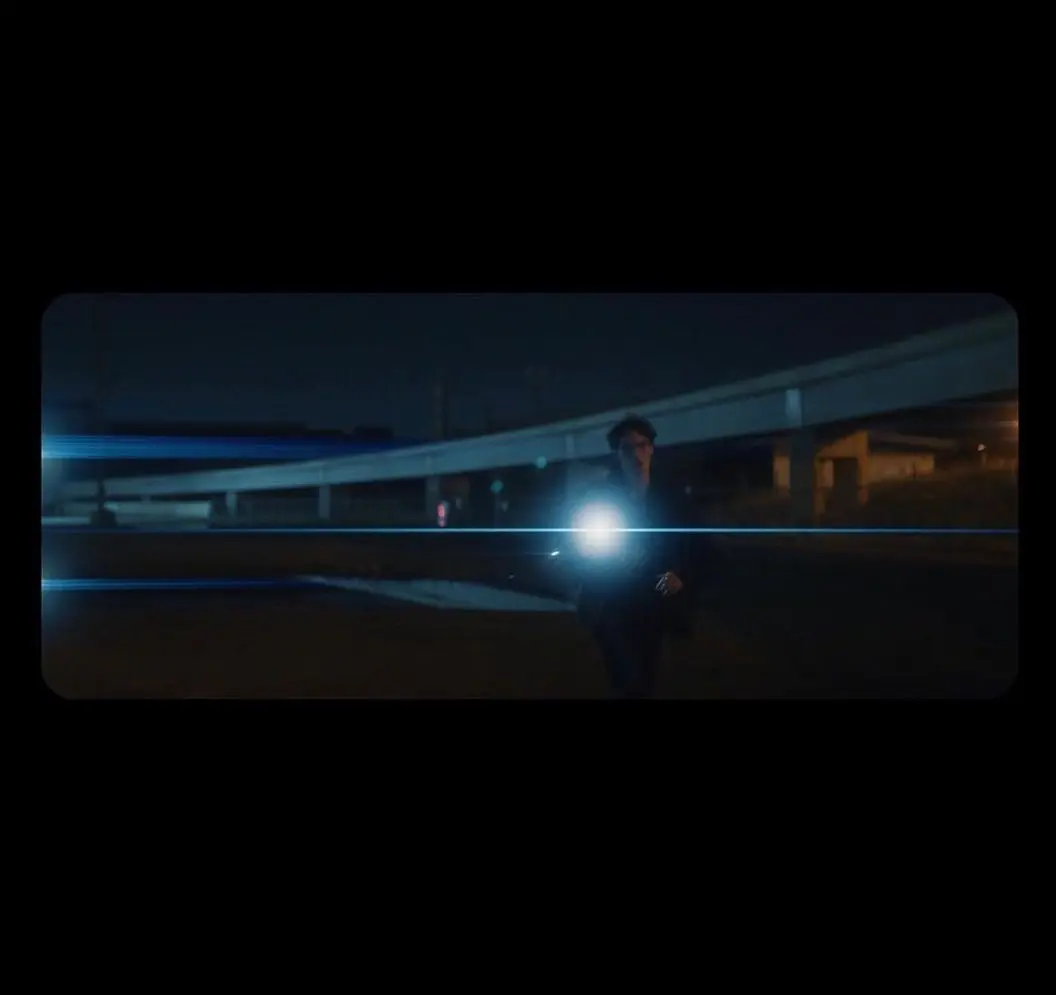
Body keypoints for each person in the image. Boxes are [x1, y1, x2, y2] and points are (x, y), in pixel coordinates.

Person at [562, 414, 705, 698]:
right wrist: (601, 561)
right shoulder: (600, 497)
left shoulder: (671, 498)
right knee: (625, 675)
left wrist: (680, 576)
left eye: (642, 445)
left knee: (646, 673)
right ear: (618, 454)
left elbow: (697, 547)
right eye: (627, 448)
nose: (636, 454)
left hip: (655, 595)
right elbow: (578, 546)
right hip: (612, 596)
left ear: (651, 448)